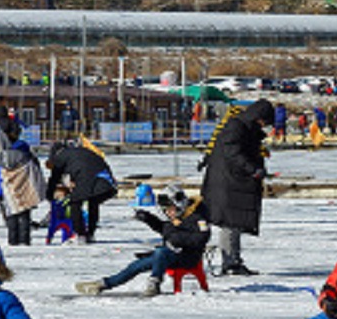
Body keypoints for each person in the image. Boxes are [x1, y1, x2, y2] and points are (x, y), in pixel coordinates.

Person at [77, 188, 211, 296]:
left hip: (188, 257)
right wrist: (148, 218)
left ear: (179, 205)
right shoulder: (176, 219)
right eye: (166, 210)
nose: (168, 213)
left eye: (170, 209)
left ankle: (155, 283)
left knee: (160, 252)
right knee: (135, 266)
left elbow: (201, 238)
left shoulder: (197, 218)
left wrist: (176, 238)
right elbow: (164, 229)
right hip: (169, 255)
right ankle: (103, 284)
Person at [199, 99, 274, 275]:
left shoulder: (244, 126)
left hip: (234, 180)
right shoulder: (237, 126)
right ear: (258, 116)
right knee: (230, 221)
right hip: (228, 181)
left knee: (234, 221)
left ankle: (233, 260)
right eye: (264, 121)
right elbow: (232, 152)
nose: (264, 126)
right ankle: (230, 262)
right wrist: (252, 169)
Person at [45, 139, 117, 243]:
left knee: (74, 202)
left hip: (90, 179)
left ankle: (80, 235)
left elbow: (55, 178)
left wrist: (49, 195)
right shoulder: (81, 151)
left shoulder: (61, 157)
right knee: (93, 202)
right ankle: (90, 233)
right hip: (107, 182)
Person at [0, 138, 46, 246]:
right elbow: (36, 175)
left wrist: (1, 192)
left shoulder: (3, 161)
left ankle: (12, 240)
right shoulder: (29, 160)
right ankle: (24, 240)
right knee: (25, 216)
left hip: (9, 193)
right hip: (26, 191)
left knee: (11, 216)